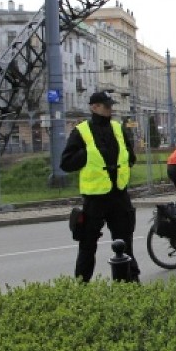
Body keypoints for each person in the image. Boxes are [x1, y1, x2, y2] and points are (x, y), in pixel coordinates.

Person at [61, 91, 140, 283]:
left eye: (111, 106)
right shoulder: (81, 131)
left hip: (119, 195)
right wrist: (87, 155)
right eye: (106, 106)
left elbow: (130, 156)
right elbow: (66, 163)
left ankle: (130, 284)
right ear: (94, 107)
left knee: (125, 244)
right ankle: (82, 286)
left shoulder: (118, 128)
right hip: (95, 198)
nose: (110, 109)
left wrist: (124, 163)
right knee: (87, 245)